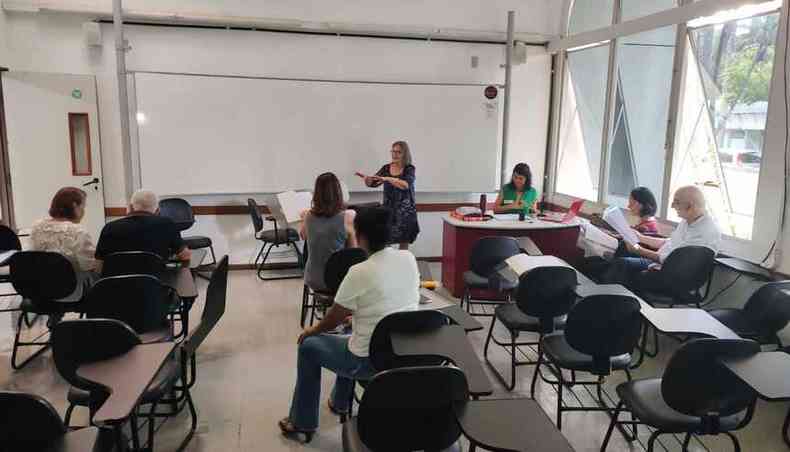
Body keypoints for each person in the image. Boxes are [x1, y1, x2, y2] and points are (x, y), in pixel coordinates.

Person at [279, 207, 420, 440]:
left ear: (360, 235)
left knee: (309, 346)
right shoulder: (408, 258)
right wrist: (355, 318)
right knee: (348, 331)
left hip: (367, 361)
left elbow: (332, 317)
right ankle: (340, 402)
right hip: (402, 353)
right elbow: (388, 302)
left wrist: (311, 330)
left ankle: (301, 422)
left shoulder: (359, 271)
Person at [603, 185, 720, 289]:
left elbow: (670, 259)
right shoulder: (687, 220)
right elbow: (669, 242)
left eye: (676, 202)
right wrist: (640, 237)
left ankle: (609, 302)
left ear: (689, 207)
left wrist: (638, 250)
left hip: (673, 275)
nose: (672, 205)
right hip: (663, 265)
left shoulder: (706, 231)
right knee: (620, 262)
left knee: (622, 264)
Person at [30, 187, 100, 298]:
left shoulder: (37, 227)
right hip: (71, 292)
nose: (84, 211)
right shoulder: (78, 232)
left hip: (40, 290)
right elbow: (89, 265)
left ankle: (55, 313)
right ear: (74, 206)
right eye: (83, 206)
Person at [95, 189, 191, 263]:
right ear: (157, 211)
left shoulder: (109, 228)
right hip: (154, 284)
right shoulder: (167, 224)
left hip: (116, 286)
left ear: (131, 207)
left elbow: (99, 264)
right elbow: (185, 256)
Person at [355, 140, 419, 250]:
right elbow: (374, 183)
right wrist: (367, 180)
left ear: (405, 153)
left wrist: (387, 178)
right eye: (393, 151)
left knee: (404, 241)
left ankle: (401, 265)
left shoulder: (409, 168)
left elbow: (405, 185)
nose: (394, 154)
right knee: (386, 240)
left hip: (406, 212)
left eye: (398, 152)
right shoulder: (386, 168)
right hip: (389, 210)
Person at [300, 172, 357, 292]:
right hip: (336, 282)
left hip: (312, 279)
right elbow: (353, 252)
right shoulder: (348, 217)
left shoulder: (307, 215)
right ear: (338, 192)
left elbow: (303, 236)